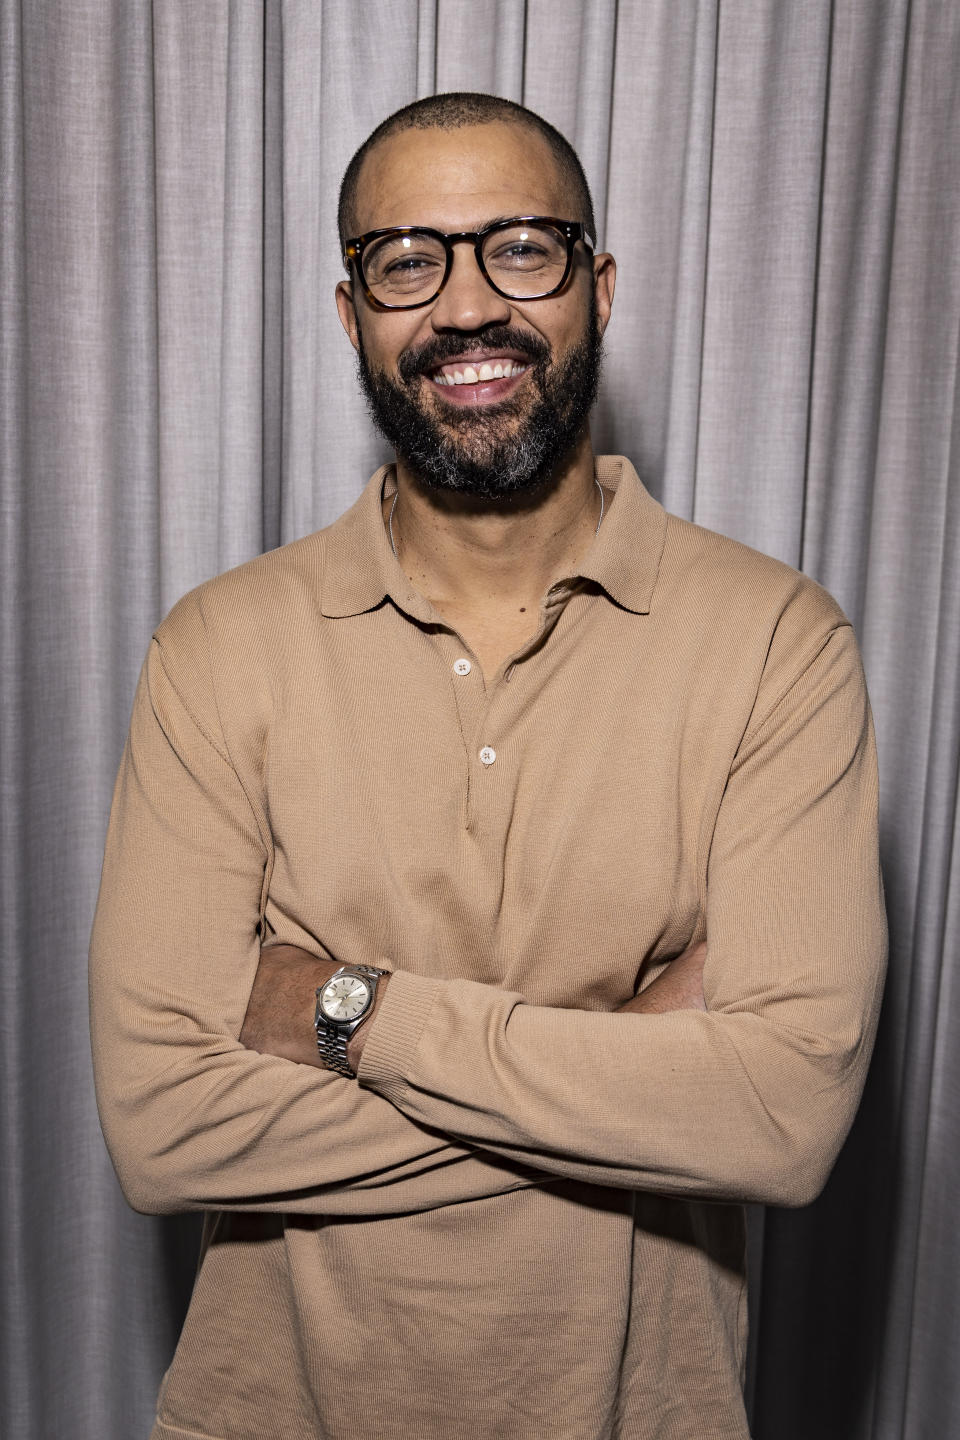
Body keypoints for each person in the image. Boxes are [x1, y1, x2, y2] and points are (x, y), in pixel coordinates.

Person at [89, 92, 887, 1440]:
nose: (465, 307)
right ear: (352, 315)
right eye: (408, 261)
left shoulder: (774, 641)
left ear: (599, 287)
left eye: (521, 248)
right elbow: (164, 1131)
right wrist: (628, 1061)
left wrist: (345, 1013)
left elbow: (781, 1117)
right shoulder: (218, 647)